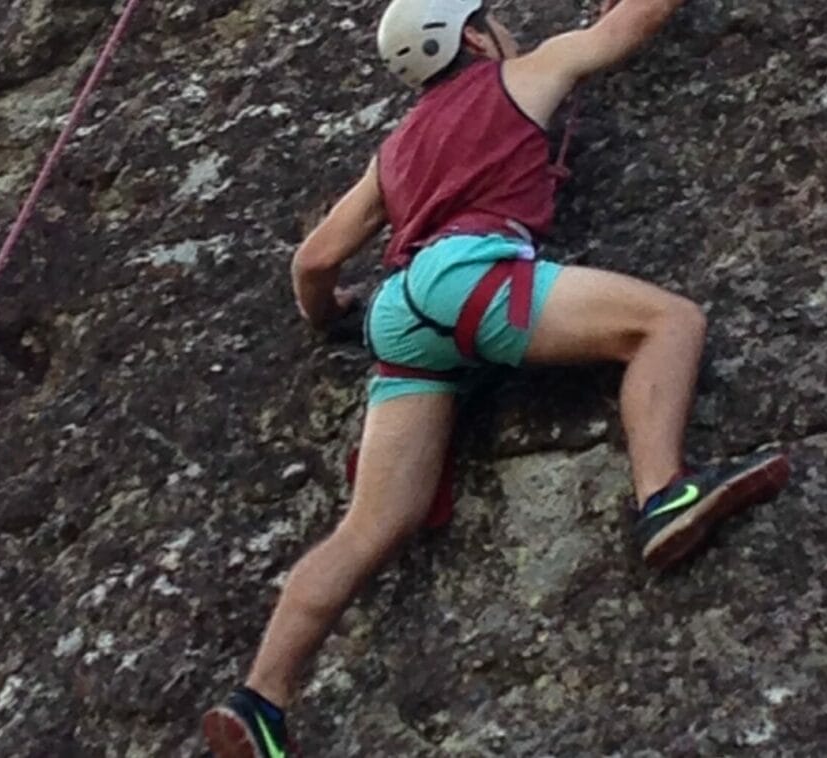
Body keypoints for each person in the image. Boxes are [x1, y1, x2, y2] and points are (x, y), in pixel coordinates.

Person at [203, 1, 790, 755]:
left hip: (400, 310)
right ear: (473, 37)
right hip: (472, 273)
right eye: (491, 20)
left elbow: (313, 261)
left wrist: (329, 314)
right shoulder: (521, 75)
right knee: (667, 324)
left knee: (372, 524)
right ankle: (662, 495)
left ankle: (260, 700)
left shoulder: (395, 148)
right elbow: (622, 29)